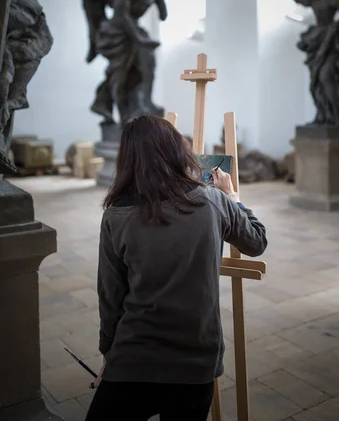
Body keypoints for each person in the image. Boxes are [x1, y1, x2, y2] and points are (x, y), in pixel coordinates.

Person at [85, 114, 267, 421]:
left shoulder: (116, 216)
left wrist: (110, 355)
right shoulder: (213, 202)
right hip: (195, 360)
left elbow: (110, 296)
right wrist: (232, 197)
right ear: (177, 151)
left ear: (128, 160)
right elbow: (256, 241)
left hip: (134, 358)